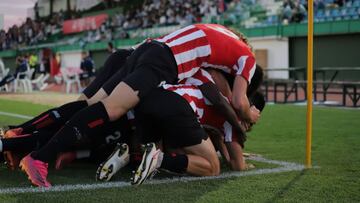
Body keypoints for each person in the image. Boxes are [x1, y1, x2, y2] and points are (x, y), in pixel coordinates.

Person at [16, 24, 261, 186]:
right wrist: (247, 114)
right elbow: (238, 101)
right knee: (112, 110)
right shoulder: (247, 58)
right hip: (164, 60)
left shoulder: (218, 32)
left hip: (146, 50)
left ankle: (21, 135)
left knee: (91, 105)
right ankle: (39, 157)